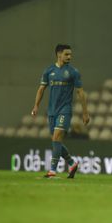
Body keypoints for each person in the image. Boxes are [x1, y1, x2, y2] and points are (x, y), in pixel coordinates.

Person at [31, 44, 90, 179]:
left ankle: (52, 170)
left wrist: (85, 112)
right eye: (66, 54)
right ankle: (72, 163)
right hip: (51, 110)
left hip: (65, 109)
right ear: (59, 54)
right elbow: (41, 89)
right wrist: (36, 106)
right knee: (55, 140)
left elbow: (80, 92)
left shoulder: (73, 72)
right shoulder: (48, 71)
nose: (70, 56)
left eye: (70, 54)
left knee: (57, 137)